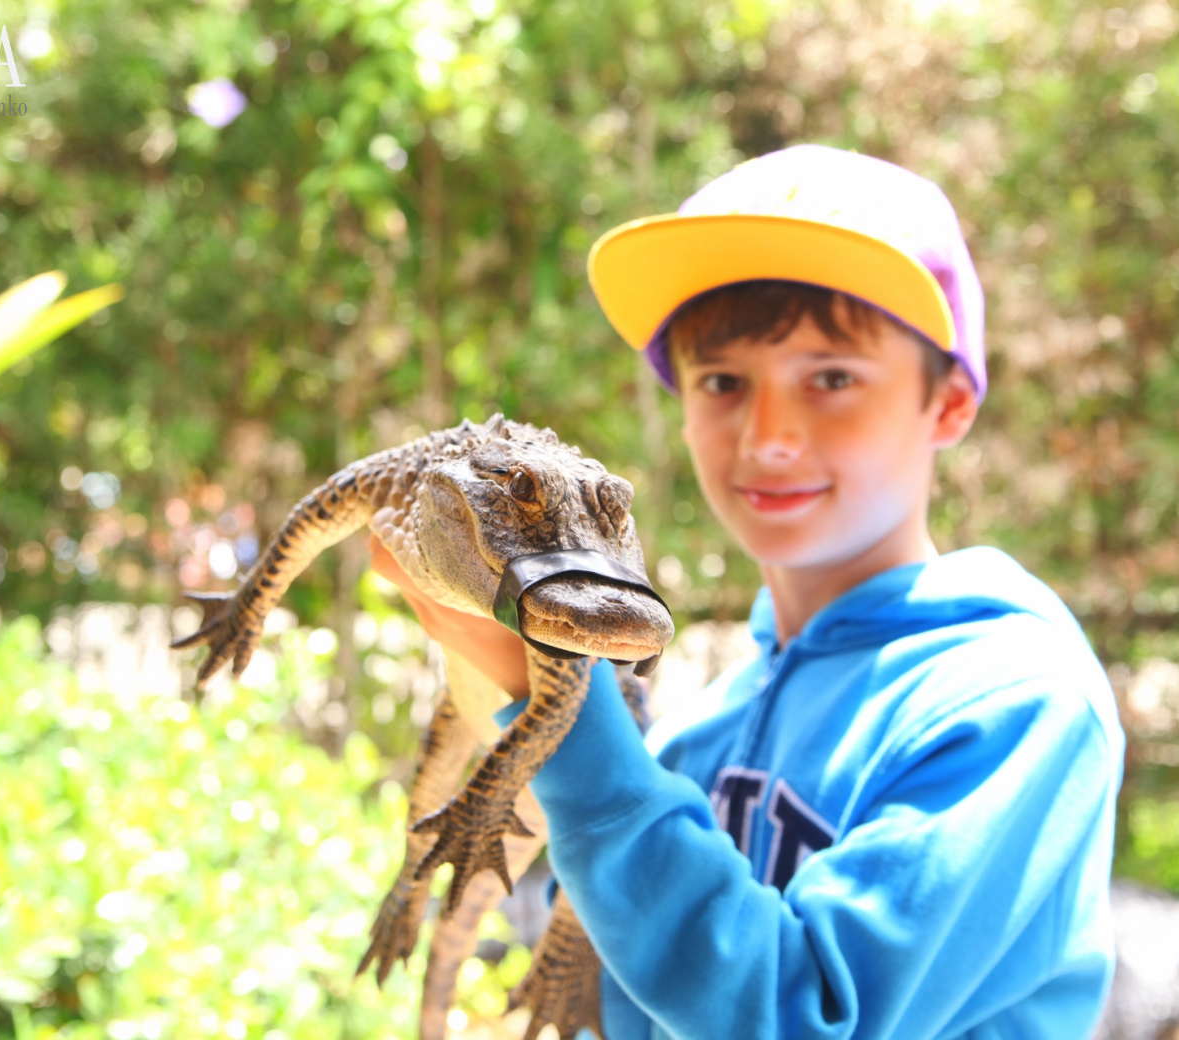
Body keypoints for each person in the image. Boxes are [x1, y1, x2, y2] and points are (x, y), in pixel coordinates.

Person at [368, 144, 1124, 1039]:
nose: (767, 435)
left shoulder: (1014, 704)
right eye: (723, 381)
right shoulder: (700, 731)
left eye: (832, 378)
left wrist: (569, 726)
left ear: (950, 402)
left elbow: (809, 1019)